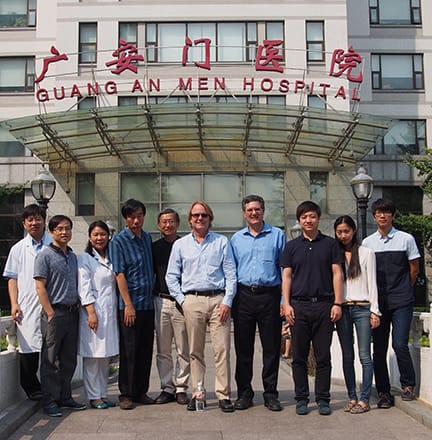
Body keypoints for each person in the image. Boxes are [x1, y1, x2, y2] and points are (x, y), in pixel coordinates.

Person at [166, 201, 237, 413]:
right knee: (194, 351)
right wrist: (182, 300)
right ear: (190, 220)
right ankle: (198, 393)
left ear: (210, 218)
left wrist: (227, 301)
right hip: (192, 301)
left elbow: (231, 274)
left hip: (218, 301)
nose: (200, 218)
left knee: (222, 350)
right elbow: (171, 276)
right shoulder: (180, 245)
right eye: (196, 215)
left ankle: (223, 394)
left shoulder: (222, 242)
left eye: (204, 215)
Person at [281, 200, 343, 416]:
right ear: (299, 220)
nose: (308, 220)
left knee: (323, 355)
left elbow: (337, 273)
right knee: (298, 356)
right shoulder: (291, 247)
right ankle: (301, 399)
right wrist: (286, 303)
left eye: (312, 216)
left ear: (318, 218)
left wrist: (337, 302)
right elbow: (287, 277)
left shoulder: (330, 244)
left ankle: (323, 399)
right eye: (304, 217)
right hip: (298, 306)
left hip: (324, 306)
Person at [230, 194, 286, 411]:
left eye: (257, 209)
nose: (254, 213)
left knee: (271, 348)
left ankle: (270, 394)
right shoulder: (236, 239)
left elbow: (284, 270)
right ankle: (244, 393)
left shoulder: (277, 235)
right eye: (249, 210)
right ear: (244, 213)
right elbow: (231, 272)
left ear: (263, 211)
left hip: (269, 296)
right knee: (243, 348)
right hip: (243, 297)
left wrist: (283, 300)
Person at [362, 198, 420, 407]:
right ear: (374, 216)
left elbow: (414, 269)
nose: (383, 216)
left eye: (386, 212)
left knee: (399, 344)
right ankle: (384, 393)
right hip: (378, 303)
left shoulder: (406, 239)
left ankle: (408, 385)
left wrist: (405, 288)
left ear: (393, 215)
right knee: (378, 348)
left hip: (402, 301)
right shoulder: (368, 243)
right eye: (379, 212)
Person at [34, 214, 86, 417]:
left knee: (68, 359)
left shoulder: (73, 256)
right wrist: (49, 313)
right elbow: (40, 287)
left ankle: (65, 397)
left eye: (67, 228)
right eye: (59, 229)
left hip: (72, 313)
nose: (64, 232)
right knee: (50, 360)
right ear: (52, 232)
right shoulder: (45, 255)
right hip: (54, 314)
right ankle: (50, 400)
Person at [3, 204, 52, 401]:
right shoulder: (18, 249)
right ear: (24, 223)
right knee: (28, 349)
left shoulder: (53, 245)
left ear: (44, 221)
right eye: (30, 219)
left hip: (51, 303)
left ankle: (51, 389)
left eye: (38, 218)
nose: (34, 222)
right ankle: (32, 388)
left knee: (51, 350)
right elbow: (12, 278)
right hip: (28, 304)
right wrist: (14, 303)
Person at [109, 199, 155, 410]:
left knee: (145, 349)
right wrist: (128, 304)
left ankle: (140, 391)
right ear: (125, 218)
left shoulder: (146, 237)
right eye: (131, 217)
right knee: (129, 350)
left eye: (139, 216)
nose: (136, 221)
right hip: (130, 304)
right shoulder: (118, 241)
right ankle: (126, 393)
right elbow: (119, 274)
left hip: (148, 303)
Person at [334, 215, 381, 414]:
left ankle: (364, 399)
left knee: (364, 355)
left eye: (347, 231)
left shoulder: (366, 253)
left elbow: (373, 283)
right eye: (339, 232)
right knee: (347, 355)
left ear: (354, 231)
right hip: (343, 309)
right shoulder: (334, 255)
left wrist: (375, 311)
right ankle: (352, 396)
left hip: (362, 308)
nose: (343, 235)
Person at [78, 220, 119, 409]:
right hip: (93, 312)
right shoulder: (85, 259)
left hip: (109, 313)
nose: (99, 238)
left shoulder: (112, 257)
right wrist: (91, 312)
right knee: (93, 357)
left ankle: (103, 394)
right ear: (89, 237)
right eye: (95, 234)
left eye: (103, 234)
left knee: (105, 356)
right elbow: (84, 288)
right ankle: (94, 396)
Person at [153, 208, 190, 405]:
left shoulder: (186, 245)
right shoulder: (154, 247)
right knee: (163, 349)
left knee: (184, 347)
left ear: (178, 223)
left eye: (171, 221)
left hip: (182, 302)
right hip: (161, 300)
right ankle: (167, 387)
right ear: (159, 225)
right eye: (164, 222)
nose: (168, 225)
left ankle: (182, 387)